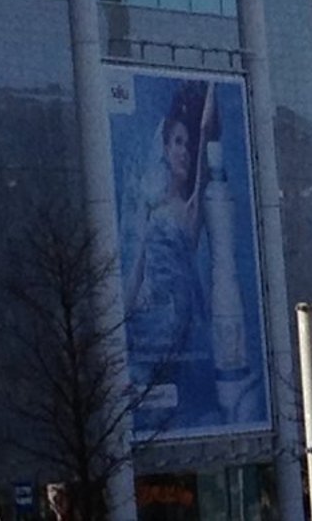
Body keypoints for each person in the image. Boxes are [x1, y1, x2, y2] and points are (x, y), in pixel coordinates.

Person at [126, 81, 220, 429]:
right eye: (177, 142)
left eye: (188, 144)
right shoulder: (150, 206)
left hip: (181, 324)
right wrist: (121, 316)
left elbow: (207, 128)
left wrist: (210, 84)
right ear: (165, 148)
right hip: (146, 323)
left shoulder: (192, 208)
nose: (183, 150)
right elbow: (137, 266)